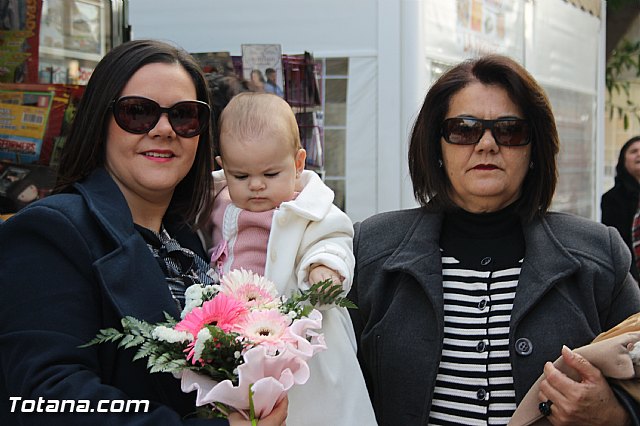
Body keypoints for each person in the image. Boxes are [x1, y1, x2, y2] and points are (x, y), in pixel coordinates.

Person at [0, 39, 287, 426]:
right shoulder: (51, 231)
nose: (164, 129)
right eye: (138, 113)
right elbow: (47, 399)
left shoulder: (191, 238)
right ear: (99, 124)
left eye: (185, 116)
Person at [348, 54, 640, 426]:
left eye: (510, 130)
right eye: (464, 128)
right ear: (436, 146)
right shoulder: (371, 250)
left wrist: (614, 414)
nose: (487, 144)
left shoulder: (599, 256)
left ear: (534, 150)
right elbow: (328, 380)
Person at [203, 92, 377, 426]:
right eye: (241, 176)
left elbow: (335, 238)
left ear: (298, 164)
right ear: (223, 166)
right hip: (239, 335)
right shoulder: (216, 203)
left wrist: (324, 268)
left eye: (270, 174)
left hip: (302, 334)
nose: (256, 186)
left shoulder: (309, 210)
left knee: (313, 408)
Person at [601, 135, 640, 281]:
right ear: (623, 161)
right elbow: (616, 246)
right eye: (633, 151)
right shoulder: (612, 199)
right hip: (629, 278)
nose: (639, 154)